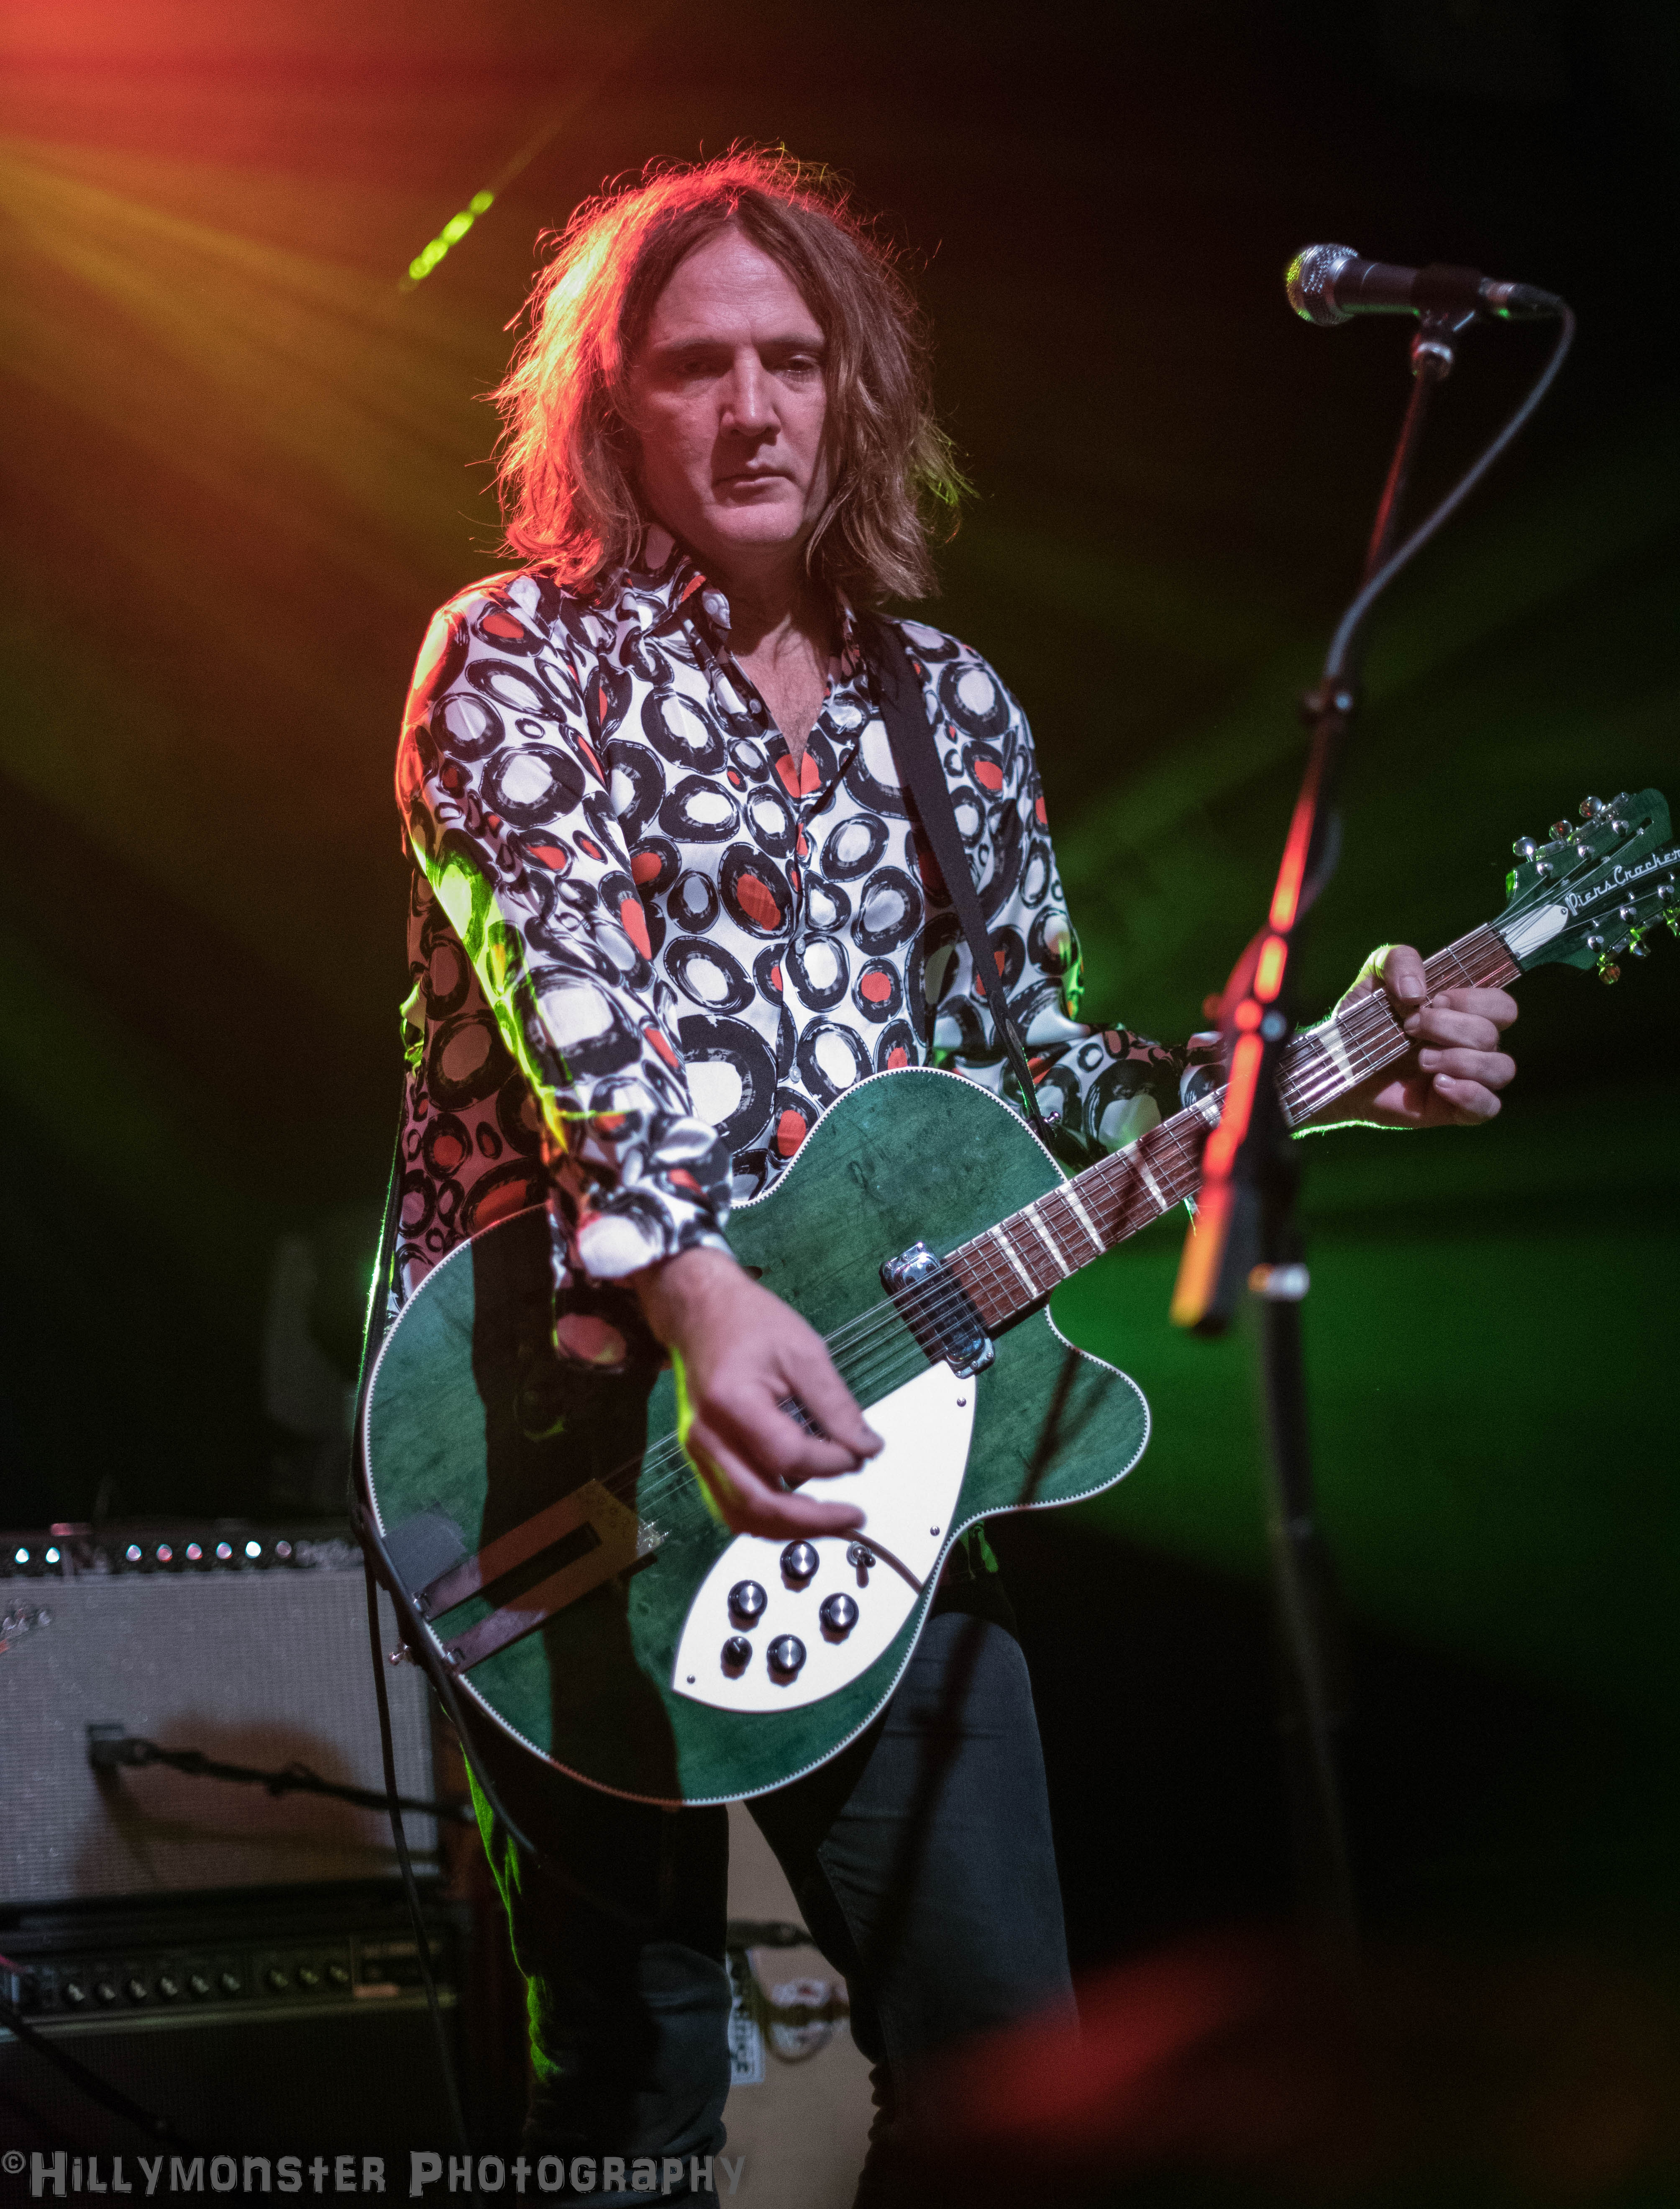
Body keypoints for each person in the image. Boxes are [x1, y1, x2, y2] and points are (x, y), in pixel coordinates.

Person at [392, 151, 1517, 2203]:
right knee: (627, 2091)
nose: (752, 409)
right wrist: (698, 1297)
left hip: (874, 1443)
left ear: (856, 391)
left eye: (794, 361)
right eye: (697, 366)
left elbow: (1033, 1068)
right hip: (554, 1443)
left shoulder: (948, 708)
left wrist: (1328, 1080)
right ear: (613, 404)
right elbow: (573, 1015)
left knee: (1009, 2080)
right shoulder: (514, 658)